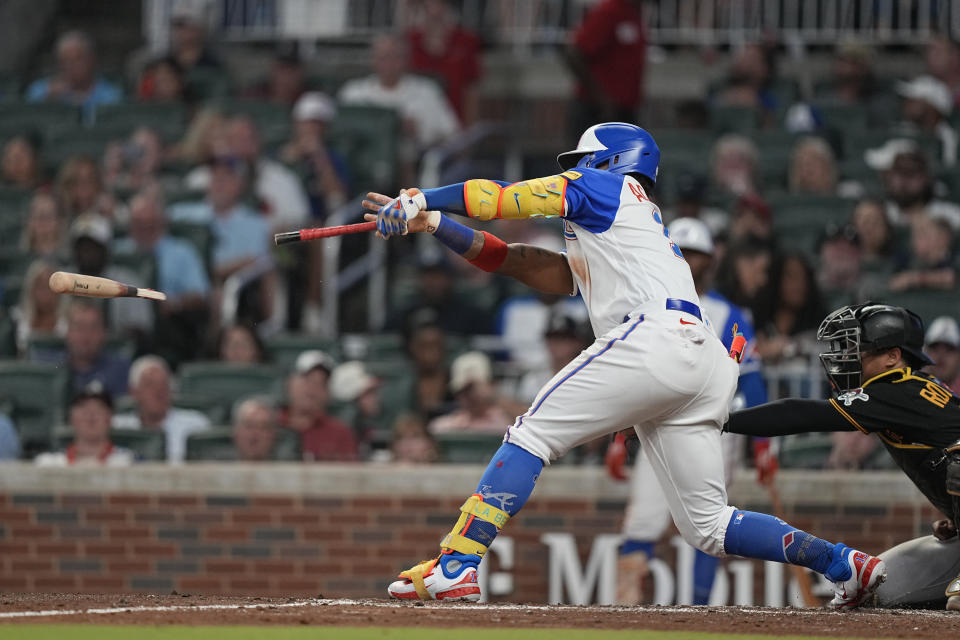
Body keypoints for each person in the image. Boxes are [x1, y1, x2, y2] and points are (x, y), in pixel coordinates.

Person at [362, 122, 886, 606]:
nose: (576, 167)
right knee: (708, 526)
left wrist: (420, 196)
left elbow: (497, 200)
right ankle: (841, 563)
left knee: (530, 435)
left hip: (654, 338)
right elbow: (519, 262)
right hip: (698, 361)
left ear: (610, 160)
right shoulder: (620, 227)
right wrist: (434, 223)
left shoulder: (604, 189)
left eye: (584, 159)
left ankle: (457, 563)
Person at [724, 303, 960, 611]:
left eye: (861, 349)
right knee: (874, 590)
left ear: (893, 356)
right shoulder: (908, 390)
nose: (849, 357)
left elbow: (800, 415)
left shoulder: (897, 388)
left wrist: (725, 420)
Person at [612, 217, 770, 605]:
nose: (687, 260)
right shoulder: (643, 307)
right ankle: (623, 614)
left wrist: (764, 444)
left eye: (695, 253)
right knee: (643, 519)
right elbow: (626, 378)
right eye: (680, 251)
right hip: (655, 420)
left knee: (709, 523)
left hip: (713, 426)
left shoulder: (729, 311)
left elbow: (750, 379)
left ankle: (698, 614)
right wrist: (618, 437)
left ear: (709, 260)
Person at [338, 33, 460, 172]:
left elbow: (454, 136)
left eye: (395, 57)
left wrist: (419, 134)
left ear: (406, 60)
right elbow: (339, 138)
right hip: (362, 170)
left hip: (418, 167)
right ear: (373, 59)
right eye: (383, 57)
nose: (389, 63)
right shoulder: (354, 93)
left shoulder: (427, 91)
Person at [115, 187, 210, 362]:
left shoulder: (182, 252)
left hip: (167, 325)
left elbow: (201, 295)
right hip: (122, 323)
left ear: (162, 223)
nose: (144, 230)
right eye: (138, 224)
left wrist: (174, 303)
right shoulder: (118, 251)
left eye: (150, 224)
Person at [185, 115, 310, 232]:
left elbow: (299, 218)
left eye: (248, 139)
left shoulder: (281, 177)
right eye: (236, 139)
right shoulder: (203, 176)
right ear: (225, 143)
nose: (242, 146)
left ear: (258, 142)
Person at [563, 0, 647, 138]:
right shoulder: (609, 11)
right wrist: (602, 99)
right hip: (596, 113)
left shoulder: (634, 14)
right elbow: (575, 53)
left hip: (624, 113)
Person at [67, 213, 152, 339]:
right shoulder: (64, 281)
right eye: (82, 247)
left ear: (106, 250)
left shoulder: (128, 283)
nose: (87, 253)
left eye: (93, 247)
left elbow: (140, 330)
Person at [112, 355, 211, 463]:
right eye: (150, 385)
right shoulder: (117, 428)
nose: (159, 391)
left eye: (164, 385)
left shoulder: (195, 425)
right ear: (133, 392)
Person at [31, 299, 130, 398]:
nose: (86, 335)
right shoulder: (49, 369)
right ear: (67, 333)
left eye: (93, 328)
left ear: (103, 333)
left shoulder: (120, 370)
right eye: (79, 327)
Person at [405, 0, 482, 123]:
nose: (435, 10)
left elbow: (471, 90)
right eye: (429, 4)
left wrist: (469, 129)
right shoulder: (410, 41)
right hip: (420, 127)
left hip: (455, 124)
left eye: (440, 3)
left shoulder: (466, 41)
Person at [25, 30, 122, 121]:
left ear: (92, 60)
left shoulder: (111, 95)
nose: (70, 66)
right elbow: (30, 119)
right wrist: (48, 99)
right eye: (65, 61)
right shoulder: (41, 90)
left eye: (77, 59)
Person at [281, 351, 358, 462]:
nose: (313, 389)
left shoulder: (340, 434)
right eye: (307, 379)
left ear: (328, 394)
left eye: (321, 383)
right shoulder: (267, 424)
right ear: (290, 382)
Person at [35, 382, 134, 467]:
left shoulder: (128, 461)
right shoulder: (50, 463)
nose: (91, 415)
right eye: (83, 408)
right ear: (71, 417)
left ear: (109, 418)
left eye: (99, 408)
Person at [867, 142, 960, 230]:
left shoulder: (951, 218)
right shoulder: (880, 216)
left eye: (910, 174)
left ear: (925, 177)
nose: (903, 182)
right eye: (897, 173)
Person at [428, 351, 521, 435]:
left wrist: (492, 395)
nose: (470, 396)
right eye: (463, 390)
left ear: (489, 385)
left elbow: (528, 424)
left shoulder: (509, 420)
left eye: (474, 389)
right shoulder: (444, 426)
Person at [894, 75, 957, 168]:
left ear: (931, 106)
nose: (907, 103)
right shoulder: (900, 131)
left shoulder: (951, 138)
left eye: (914, 99)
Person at [888, 214, 956, 293]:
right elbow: (893, 283)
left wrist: (914, 279)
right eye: (914, 236)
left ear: (943, 238)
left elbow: (950, 277)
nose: (915, 240)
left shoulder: (954, 260)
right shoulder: (908, 261)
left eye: (923, 234)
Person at [12, 260, 66, 356]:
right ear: (31, 289)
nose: (45, 292)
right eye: (40, 286)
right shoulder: (16, 320)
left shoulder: (69, 320)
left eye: (50, 287)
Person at [19, 192, 67, 260]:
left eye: (49, 216)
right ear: (29, 221)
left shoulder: (71, 259)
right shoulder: (17, 259)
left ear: (59, 221)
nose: (44, 221)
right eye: (39, 216)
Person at [231, 396, 278, 463]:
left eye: (263, 427)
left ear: (273, 435)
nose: (255, 433)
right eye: (249, 425)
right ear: (236, 432)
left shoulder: (289, 467)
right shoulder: (215, 465)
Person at [924, 316, 960, 395]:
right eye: (934, 348)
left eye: (949, 349)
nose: (941, 354)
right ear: (925, 352)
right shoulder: (912, 390)